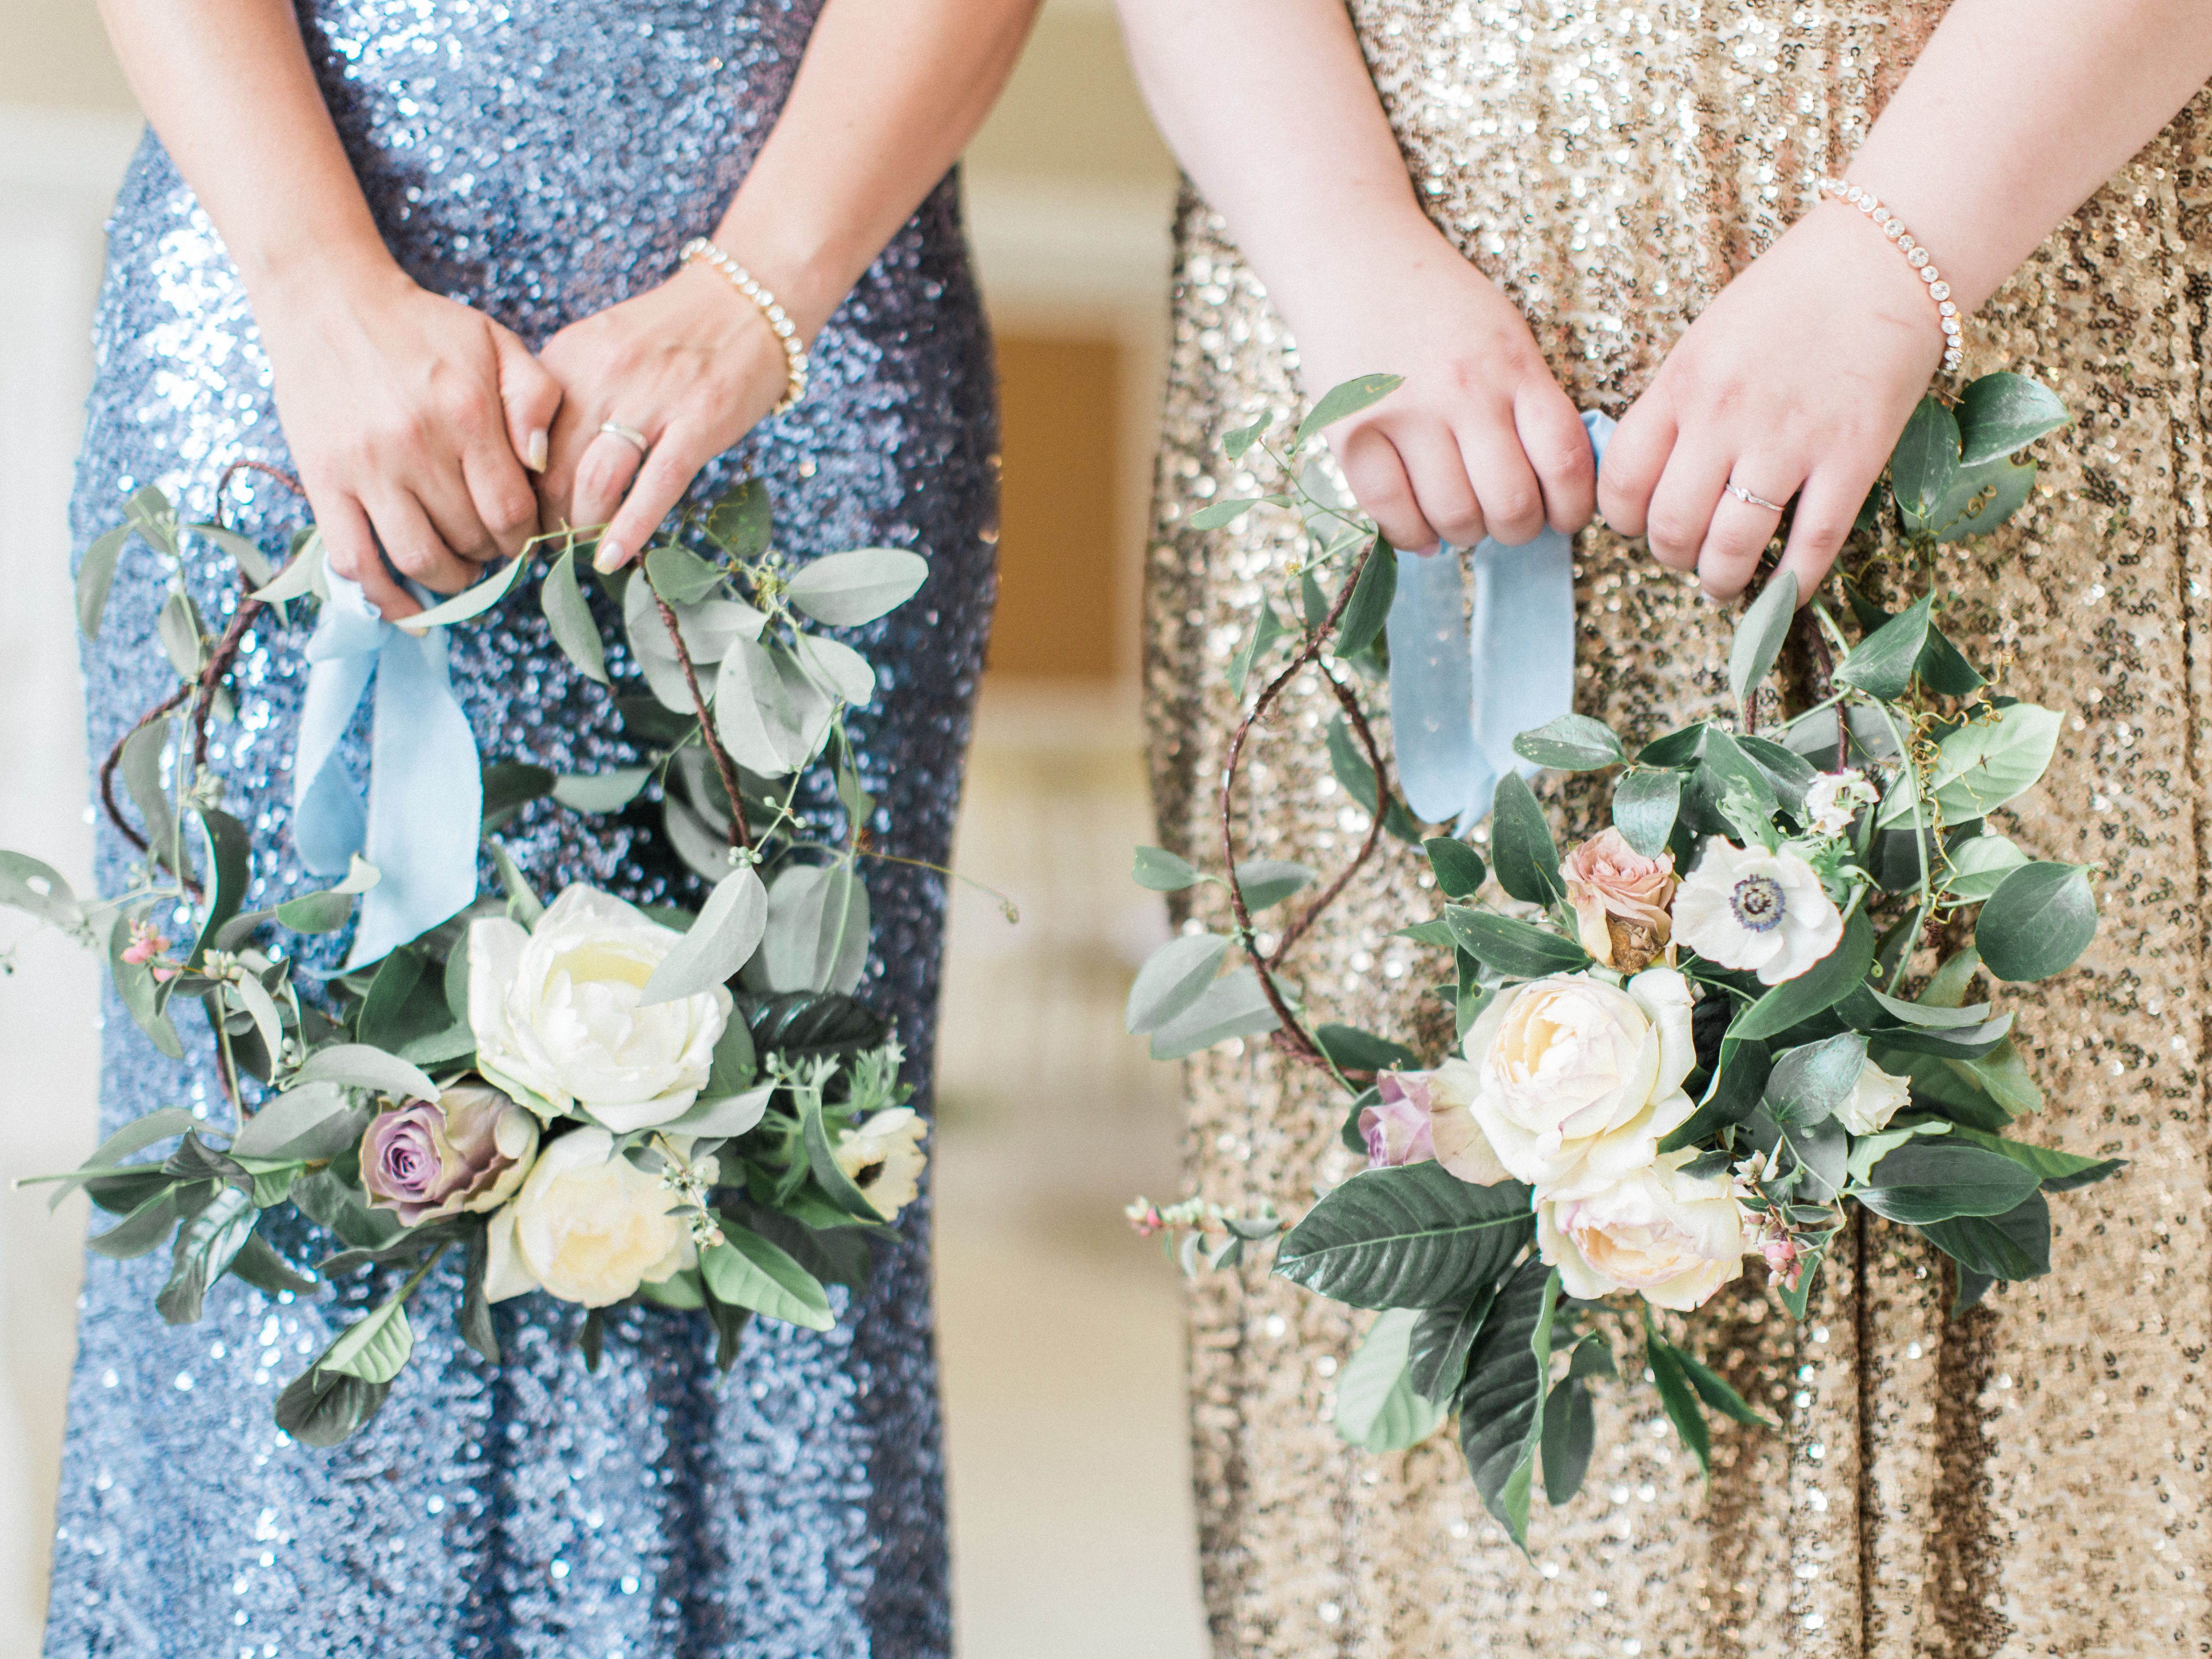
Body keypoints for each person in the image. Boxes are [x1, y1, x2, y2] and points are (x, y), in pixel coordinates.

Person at [1116, 0, 2212, 1648]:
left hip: (1989, 250)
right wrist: (1342, 245)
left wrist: (1889, 259)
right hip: (1373, 366)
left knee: (2026, 1279)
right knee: (1433, 1240)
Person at [47, 0, 1033, 1653]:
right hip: (294, 334)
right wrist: (319, 285)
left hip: (807, 344)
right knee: (299, 1245)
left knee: (768, 1253)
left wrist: (758, 295)